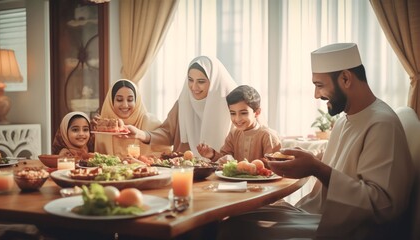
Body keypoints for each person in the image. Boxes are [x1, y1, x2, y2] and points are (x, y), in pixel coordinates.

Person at [217, 43, 414, 239]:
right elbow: (335, 160)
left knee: (233, 231)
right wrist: (305, 159)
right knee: (231, 220)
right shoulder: (345, 119)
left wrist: (315, 168)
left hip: (347, 228)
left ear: (345, 78)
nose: (316, 94)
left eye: (319, 85)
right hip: (318, 214)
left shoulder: (381, 123)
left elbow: (382, 205)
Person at [126, 56, 237, 156]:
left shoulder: (231, 105)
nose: (194, 87)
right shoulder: (183, 102)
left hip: (221, 170)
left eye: (201, 81)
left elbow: (239, 142)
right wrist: (140, 134)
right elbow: (167, 132)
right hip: (184, 168)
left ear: (214, 82)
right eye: (190, 80)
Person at [197, 85, 281, 163]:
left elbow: (274, 165)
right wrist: (212, 154)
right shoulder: (234, 134)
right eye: (233, 113)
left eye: (243, 113)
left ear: (257, 112)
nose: (237, 119)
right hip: (235, 179)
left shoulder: (268, 135)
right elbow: (225, 159)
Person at [94, 79, 170, 157]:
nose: (125, 105)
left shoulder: (149, 121)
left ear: (136, 101)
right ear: (111, 102)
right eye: (119, 100)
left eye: (130, 100)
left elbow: (166, 152)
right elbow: (98, 158)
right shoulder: (104, 126)